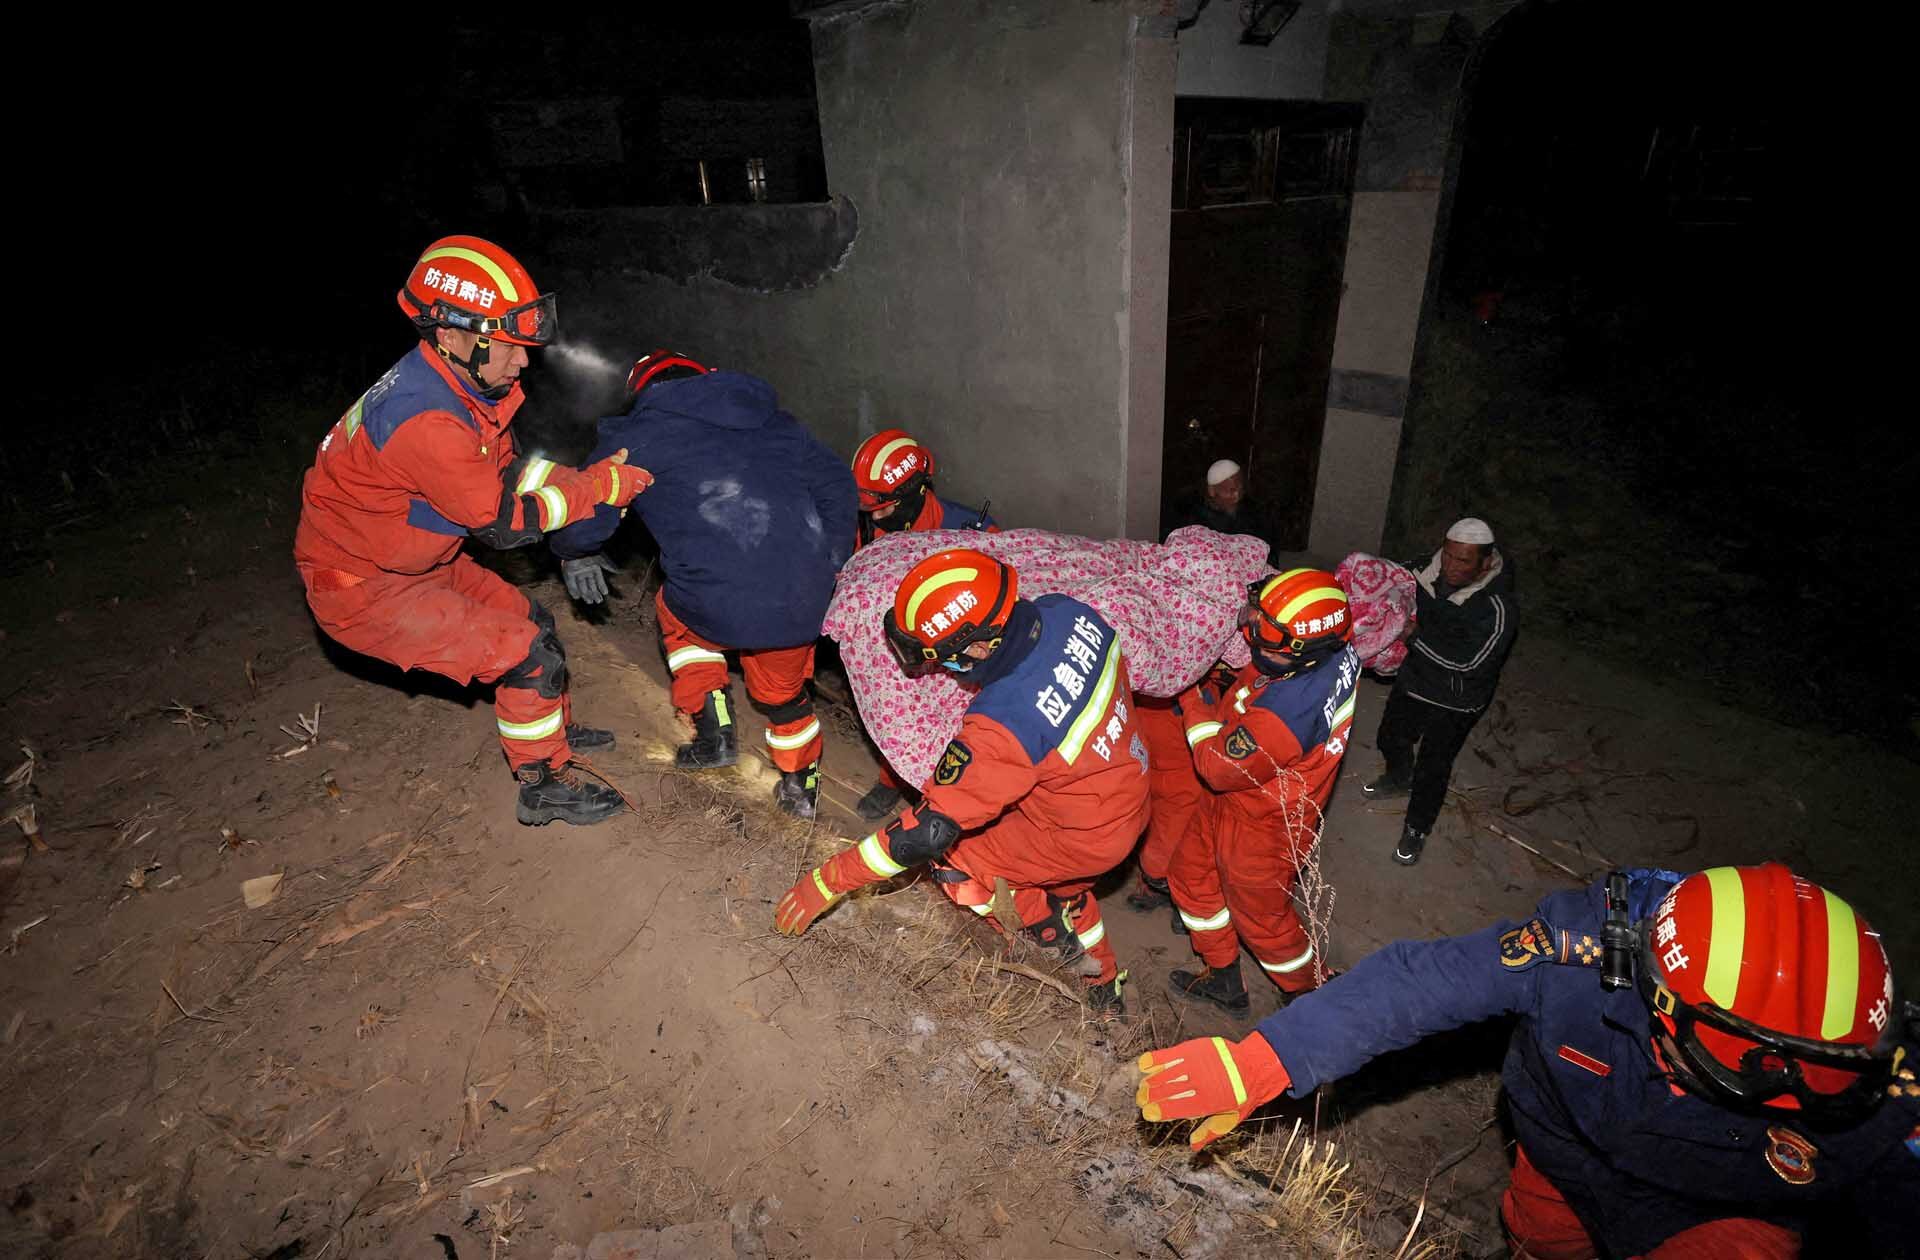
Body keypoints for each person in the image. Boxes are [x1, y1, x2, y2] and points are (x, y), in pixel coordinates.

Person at [1136, 862, 1919, 1258]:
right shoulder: (1576, 959)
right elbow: (1425, 981)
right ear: (1661, 1003)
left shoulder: (1889, 1106)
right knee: (1535, 1232)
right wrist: (1269, 1057)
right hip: (1561, 1155)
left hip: (1719, 1218)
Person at [295, 235, 649, 827]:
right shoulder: (427, 420)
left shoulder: (469, 387)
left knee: (537, 622)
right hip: (361, 586)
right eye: (508, 346)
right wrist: (597, 492)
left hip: (415, 558)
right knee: (526, 656)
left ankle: (547, 727)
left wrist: (579, 477)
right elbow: (507, 524)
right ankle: (542, 784)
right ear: (452, 334)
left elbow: (509, 471)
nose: (524, 361)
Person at [772, 548, 1151, 1015]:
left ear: (977, 647)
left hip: (1078, 832)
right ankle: (1106, 984)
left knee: (956, 855)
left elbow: (925, 832)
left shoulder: (1005, 723)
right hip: (1120, 787)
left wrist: (830, 880)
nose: (942, 671)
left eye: (944, 660)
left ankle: (1046, 939)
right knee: (1067, 884)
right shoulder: (1068, 612)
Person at [549, 350, 858, 820]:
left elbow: (591, 499)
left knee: (677, 618)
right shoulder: (777, 423)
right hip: (801, 601)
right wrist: (833, 558)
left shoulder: (641, 434)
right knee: (781, 691)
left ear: (646, 393)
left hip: (712, 603)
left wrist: (573, 550)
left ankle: (713, 730)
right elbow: (837, 482)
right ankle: (801, 783)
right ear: (708, 378)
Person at [1164, 569, 1359, 1012]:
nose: (1252, 635)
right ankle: (1224, 976)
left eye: (1265, 637)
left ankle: (1313, 997)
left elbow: (1216, 767)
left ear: (1303, 653)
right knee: (1190, 876)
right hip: (1239, 804)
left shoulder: (1285, 714)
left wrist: (1195, 702)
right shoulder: (1334, 649)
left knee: (1265, 923)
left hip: (1264, 826)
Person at [847, 428, 998, 822]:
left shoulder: (971, 533)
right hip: (899, 654)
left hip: (955, 656)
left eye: (883, 508)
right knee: (895, 715)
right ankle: (891, 779)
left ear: (915, 491)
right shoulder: (868, 527)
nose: (876, 518)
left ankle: (940, 798)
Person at [1361, 516, 1516, 866]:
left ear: (1485, 563)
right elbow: (1384, 576)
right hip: (1415, 679)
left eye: (1463, 560)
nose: (1450, 566)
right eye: (1447, 555)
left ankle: (1417, 827)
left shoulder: (1498, 608)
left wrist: (1412, 636)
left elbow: (1470, 665)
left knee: (1434, 765)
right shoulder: (1421, 569)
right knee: (1390, 736)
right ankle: (1399, 777)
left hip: (1458, 699)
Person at [851, 428, 996, 547]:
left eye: (882, 508)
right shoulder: (854, 532)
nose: (875, 516)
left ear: (910, 500)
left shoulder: (981, 536)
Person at [1165, 459, 1277, 563]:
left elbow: (1268, 550)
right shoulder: (1191, 517)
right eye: (1231, 490)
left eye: (1240, 489)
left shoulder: (1255, 513)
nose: (1237, 495)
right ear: (1212, 491)